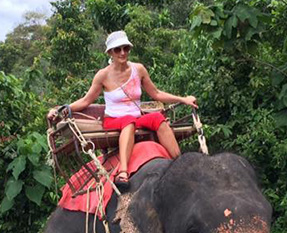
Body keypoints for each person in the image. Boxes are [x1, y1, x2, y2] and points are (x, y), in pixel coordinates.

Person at [48, 30, 198, 191]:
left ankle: (179, 162)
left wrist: (183, 99)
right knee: (128, 122)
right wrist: (60, 109)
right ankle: (123, 171)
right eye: (118, 49)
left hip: (136, 117)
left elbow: (156, 93)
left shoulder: (138, 69)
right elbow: (86, 100)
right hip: (114, 120)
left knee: (157, 118)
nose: (122, 52)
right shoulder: (102, 75)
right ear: (110, 52)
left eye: (126, 48)